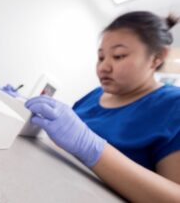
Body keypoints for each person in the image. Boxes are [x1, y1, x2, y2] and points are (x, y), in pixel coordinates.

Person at [21, 11, 180, 202]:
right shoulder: (95, 95)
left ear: (157, 57)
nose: (104, 67)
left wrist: (91, 148)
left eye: (119, 56)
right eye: (101, 57)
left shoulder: (173, 105)